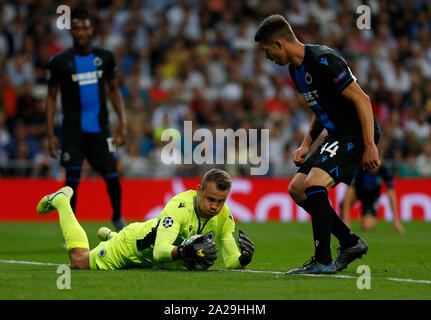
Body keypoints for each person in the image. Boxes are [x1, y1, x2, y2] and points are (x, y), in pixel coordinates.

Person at [254, 14, 381, 274]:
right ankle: (349, 242)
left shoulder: (324, 60)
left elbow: (363, 100)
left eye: (268, 51)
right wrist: (306, 144)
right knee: (298, 188)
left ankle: (322, 260)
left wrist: (369, 144)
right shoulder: (295, 70)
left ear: (279, 43)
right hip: (337, 134)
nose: (268, 58)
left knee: (313, 184)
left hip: (356, 132)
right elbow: (319, 107)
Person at [36, 168, 255, 271]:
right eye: (210, 199)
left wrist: (242, 260)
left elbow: (230, 260)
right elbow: (160, 252)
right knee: (78, 260)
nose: (215, 207)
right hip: (130, 247)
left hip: (146, 248)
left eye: (221, 201)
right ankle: (62, 201)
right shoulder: (178, 207)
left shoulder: (224, 215)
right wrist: (182, 252)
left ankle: (110, 235)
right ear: (198, 190)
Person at [45, 8, 127, 233]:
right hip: (72, 130)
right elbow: (51, 98)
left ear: (91, 30)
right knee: (71, 183)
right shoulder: (59, 62)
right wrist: (50, 133)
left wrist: (122, 123)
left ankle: (118, 217)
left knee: (112, 175)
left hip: (100, 129)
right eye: (76, 28)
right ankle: (71, 229)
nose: (81, 32)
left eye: (85, 27)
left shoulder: (105, 58)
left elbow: (113, 91)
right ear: (71, 31)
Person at [341, 164, 405, 233]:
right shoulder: (359, 169)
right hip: (357, 193)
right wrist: (346, 220)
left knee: (367, 227)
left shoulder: (385, 171)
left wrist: (396, 220)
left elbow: (391, 195)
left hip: (371, 198)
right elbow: (349, 192)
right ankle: (342, 218)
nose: (374, 167)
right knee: (345, 202)